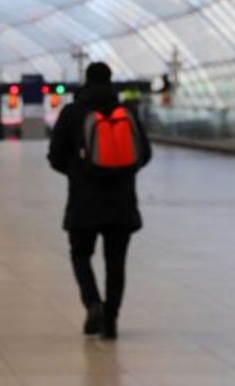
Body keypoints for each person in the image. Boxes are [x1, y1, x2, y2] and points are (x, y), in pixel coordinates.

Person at [48, 62, 151, 340]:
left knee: (80, 254)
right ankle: (111, 321)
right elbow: (145, 154)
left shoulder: (72, 112)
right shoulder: (126, 113)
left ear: (86, 80)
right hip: (122, 201)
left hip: (84, 200)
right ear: (110, 80)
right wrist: (122, 171)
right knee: (116, 263)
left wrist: (77, 170)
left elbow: (55, 157)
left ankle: (93, 303)